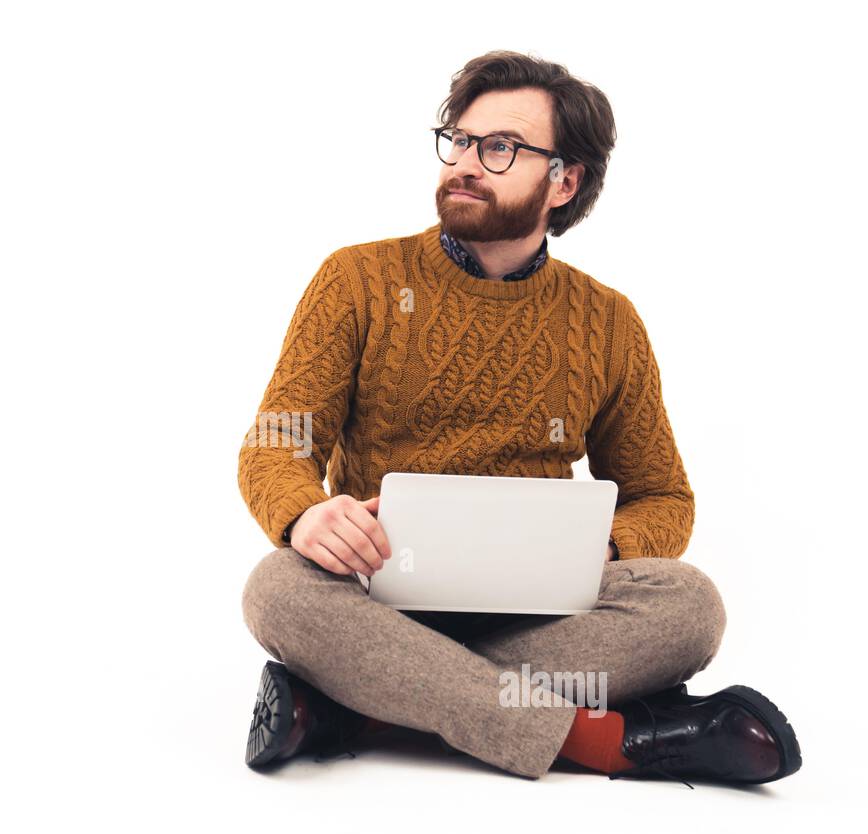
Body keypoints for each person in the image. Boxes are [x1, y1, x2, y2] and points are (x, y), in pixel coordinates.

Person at [237, 50, 801, 786]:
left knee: (692, 609)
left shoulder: (607, 321)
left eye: (500, 148)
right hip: (378, 599)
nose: (465, 163)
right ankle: (603, 742)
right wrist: (305, 515)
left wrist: (606, 547)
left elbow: (664, 496)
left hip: (538, 619)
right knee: (276, 589)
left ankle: (363, 706)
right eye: (460, 140)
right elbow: (276, 443)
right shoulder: (357, 279)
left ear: (564, 180)